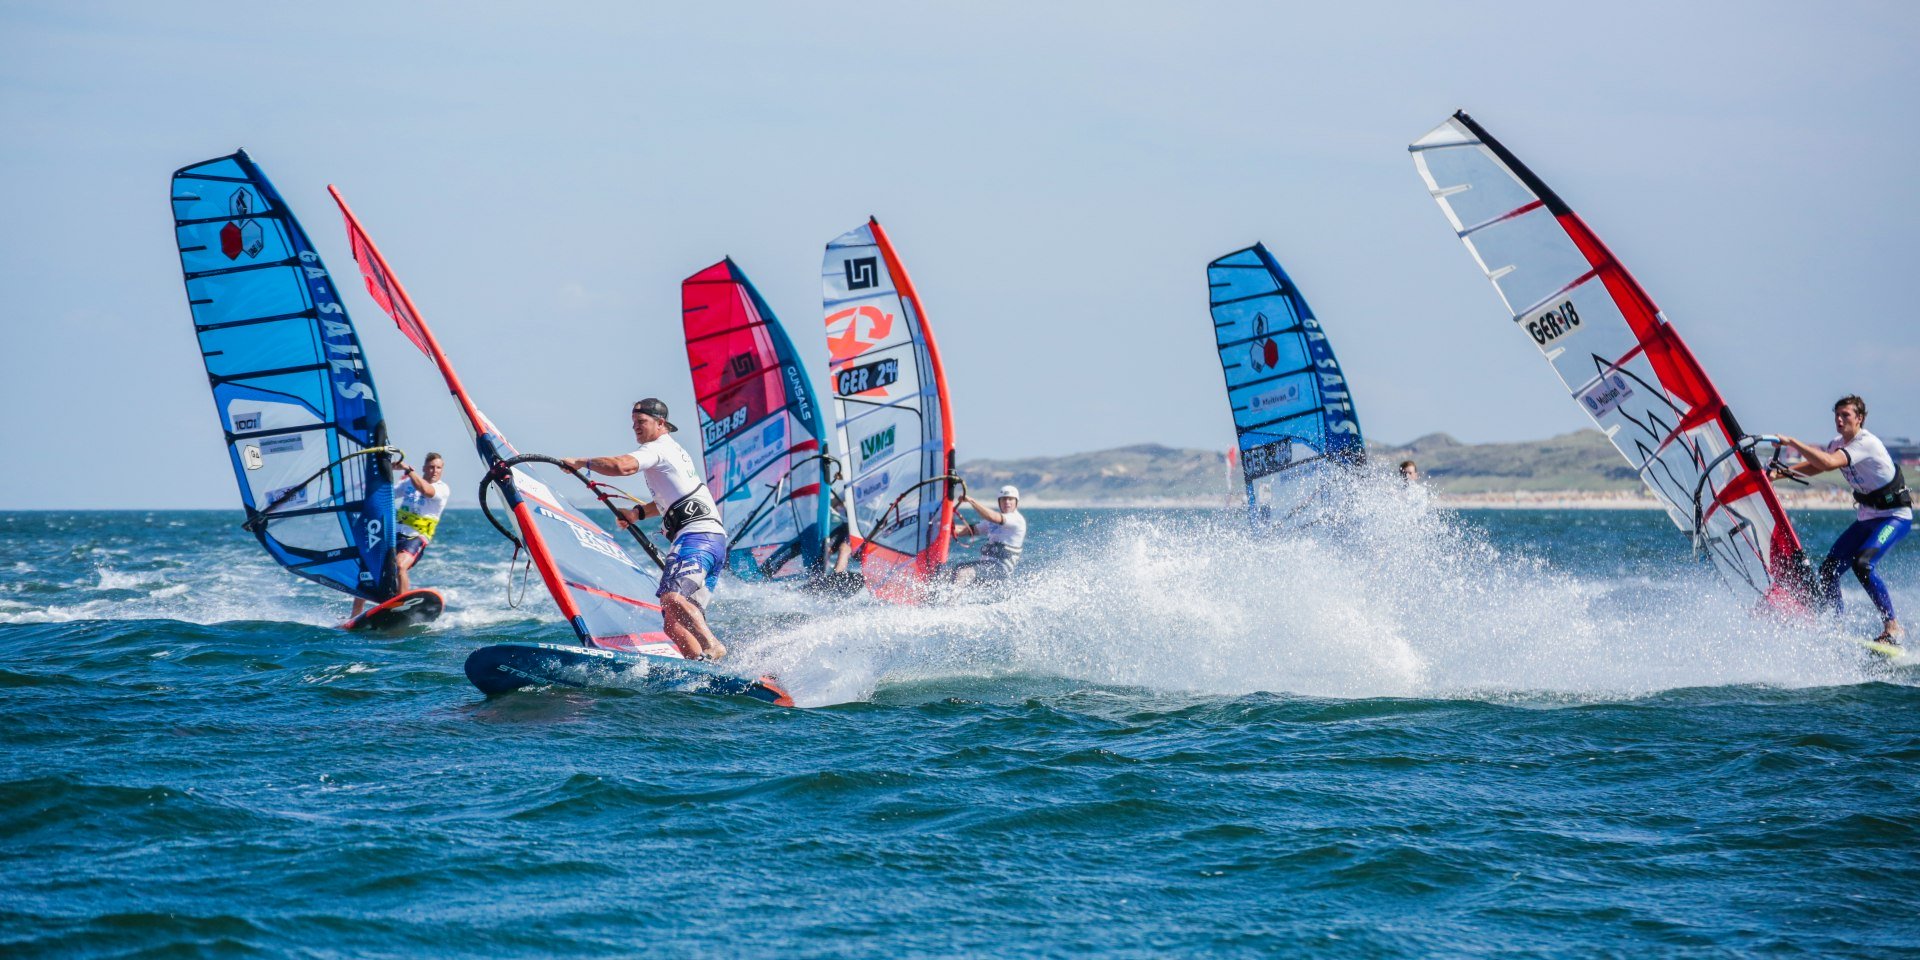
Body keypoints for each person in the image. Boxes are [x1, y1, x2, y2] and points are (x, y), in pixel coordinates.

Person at [562, 399, 730, 660]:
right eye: (633, 424)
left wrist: (581, 462)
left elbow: (622, 466)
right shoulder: (674, 452)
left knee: (672, 597)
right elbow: (671, 500)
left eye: (641, 422)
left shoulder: (657, 449)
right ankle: (702, 669)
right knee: (673, 622)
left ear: (661, 423)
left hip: (696, 537)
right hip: (712, 540)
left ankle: (712, 644)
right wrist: (637, 513)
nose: (636, 428)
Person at [1770, 395, 1911, 645]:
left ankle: (1893, 627)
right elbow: (1818, 466)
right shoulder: (1838, 442)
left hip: (1894, 516)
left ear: (1860, 419)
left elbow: (1828, 462)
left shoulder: (1865, 443)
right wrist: (1776, 474)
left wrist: (1792, 442)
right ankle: (1835, 624)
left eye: (1845, 415)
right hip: (1868, 516)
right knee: (1828, 570)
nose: (1839, 419)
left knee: (1863, 564)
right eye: (1836, 415)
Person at [352, 452, 449, 620]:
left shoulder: (442, 489)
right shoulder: (408, 483)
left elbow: (425, 490)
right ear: (424, 468)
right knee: (368, 568)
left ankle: (401, 608)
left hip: (417, 537)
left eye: (438, 467)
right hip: (395, 534)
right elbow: (386, 493)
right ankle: (354, 615)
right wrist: (382, 472)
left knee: (400, 566)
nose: (435, 470)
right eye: (431, 467)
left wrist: (408, 470)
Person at [949, 485, 1028, 588]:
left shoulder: (1016, 519)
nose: (1007, 502)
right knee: (952, 571)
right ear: (999, 502)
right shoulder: (991, 523)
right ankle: (933, 599)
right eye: (1004, 499)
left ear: (1016, 502)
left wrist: (971, 501)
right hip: (986, 566)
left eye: (1010, 499)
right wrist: (943, 527)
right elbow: (966, 531)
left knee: (963, 573)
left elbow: (993, 516)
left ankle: (950, 604)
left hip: (1000, 571)